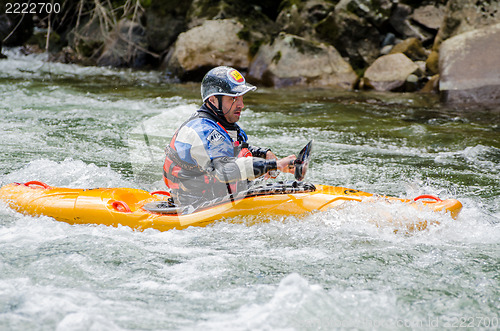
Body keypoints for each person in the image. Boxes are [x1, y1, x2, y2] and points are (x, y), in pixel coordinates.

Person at [163, 66, 297, 210]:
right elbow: (225, 170)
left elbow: (234, 146)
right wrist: (274, 165)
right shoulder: (203, 130)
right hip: (192, 205)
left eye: (241, 98)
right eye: (233, 99)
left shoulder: (222, 124)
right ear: (213, 100)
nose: (241, 105)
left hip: (214, 196)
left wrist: (264, 154)